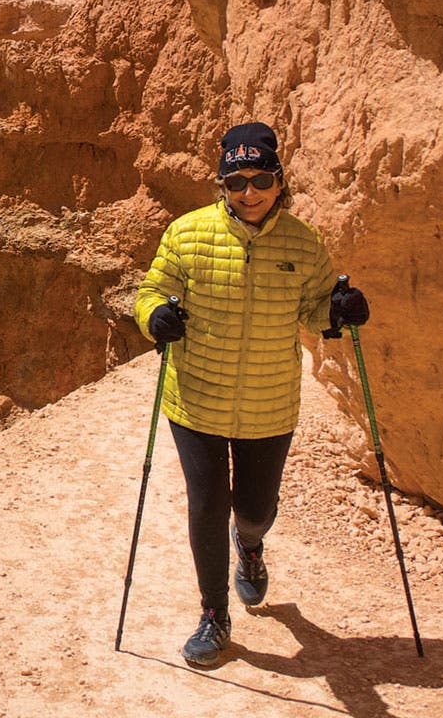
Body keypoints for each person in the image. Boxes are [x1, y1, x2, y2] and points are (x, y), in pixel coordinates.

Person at [133, 121, 369, 666]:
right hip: (196, 400)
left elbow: (313, 311)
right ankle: (214, 615)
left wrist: (339, 312)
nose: (249, 192)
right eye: (236, 181)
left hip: (270, 403)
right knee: (207, 506)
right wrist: (156, 317)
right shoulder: (186, 233)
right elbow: (151, 291)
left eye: (261, 179)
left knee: (255, 507)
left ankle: (253, 544)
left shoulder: (304, 243)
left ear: (279, 182)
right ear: (222, 185)